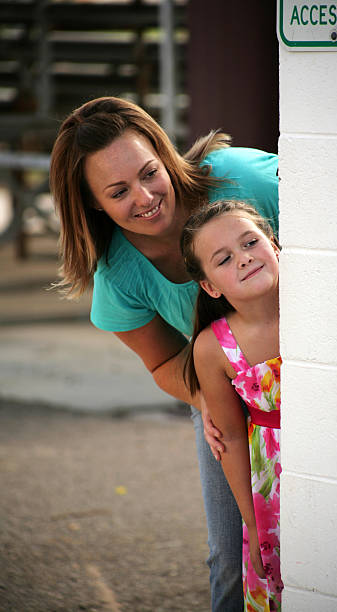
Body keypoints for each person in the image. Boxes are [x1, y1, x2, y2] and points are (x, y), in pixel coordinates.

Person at [49, 96, 279, 611]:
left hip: (317, 370)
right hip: (221, 394)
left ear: (163, 152)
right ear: (92, 204)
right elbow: (163, 364)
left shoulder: (246, 179)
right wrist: (219, 403)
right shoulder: (118, 276)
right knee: (233, 554)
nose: (147, 196)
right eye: (119, 191)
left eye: (150, 172)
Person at [181, 200, 283, 611]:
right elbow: (232, 441)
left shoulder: (319, 306)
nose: (243, 259)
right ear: (210, 286)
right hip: (272, 485)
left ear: (273, 244)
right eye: (224, 259)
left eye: (250, 243)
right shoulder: (212, 347)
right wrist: (255, 523)